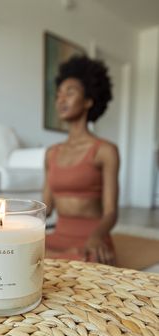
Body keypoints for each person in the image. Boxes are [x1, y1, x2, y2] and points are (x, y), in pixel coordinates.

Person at [43, 55, 120, 265]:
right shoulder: (51, 153)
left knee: (88, 258)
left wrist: (96, 237)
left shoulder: (105, 151)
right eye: (58, 94)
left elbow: (111, 212)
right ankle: (59, 260)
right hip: (58, 236)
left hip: (91, 240)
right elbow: (46, 207)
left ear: (88, 101)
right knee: (14, 250)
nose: (61, 99)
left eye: (70, 92)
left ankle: (63, 261)